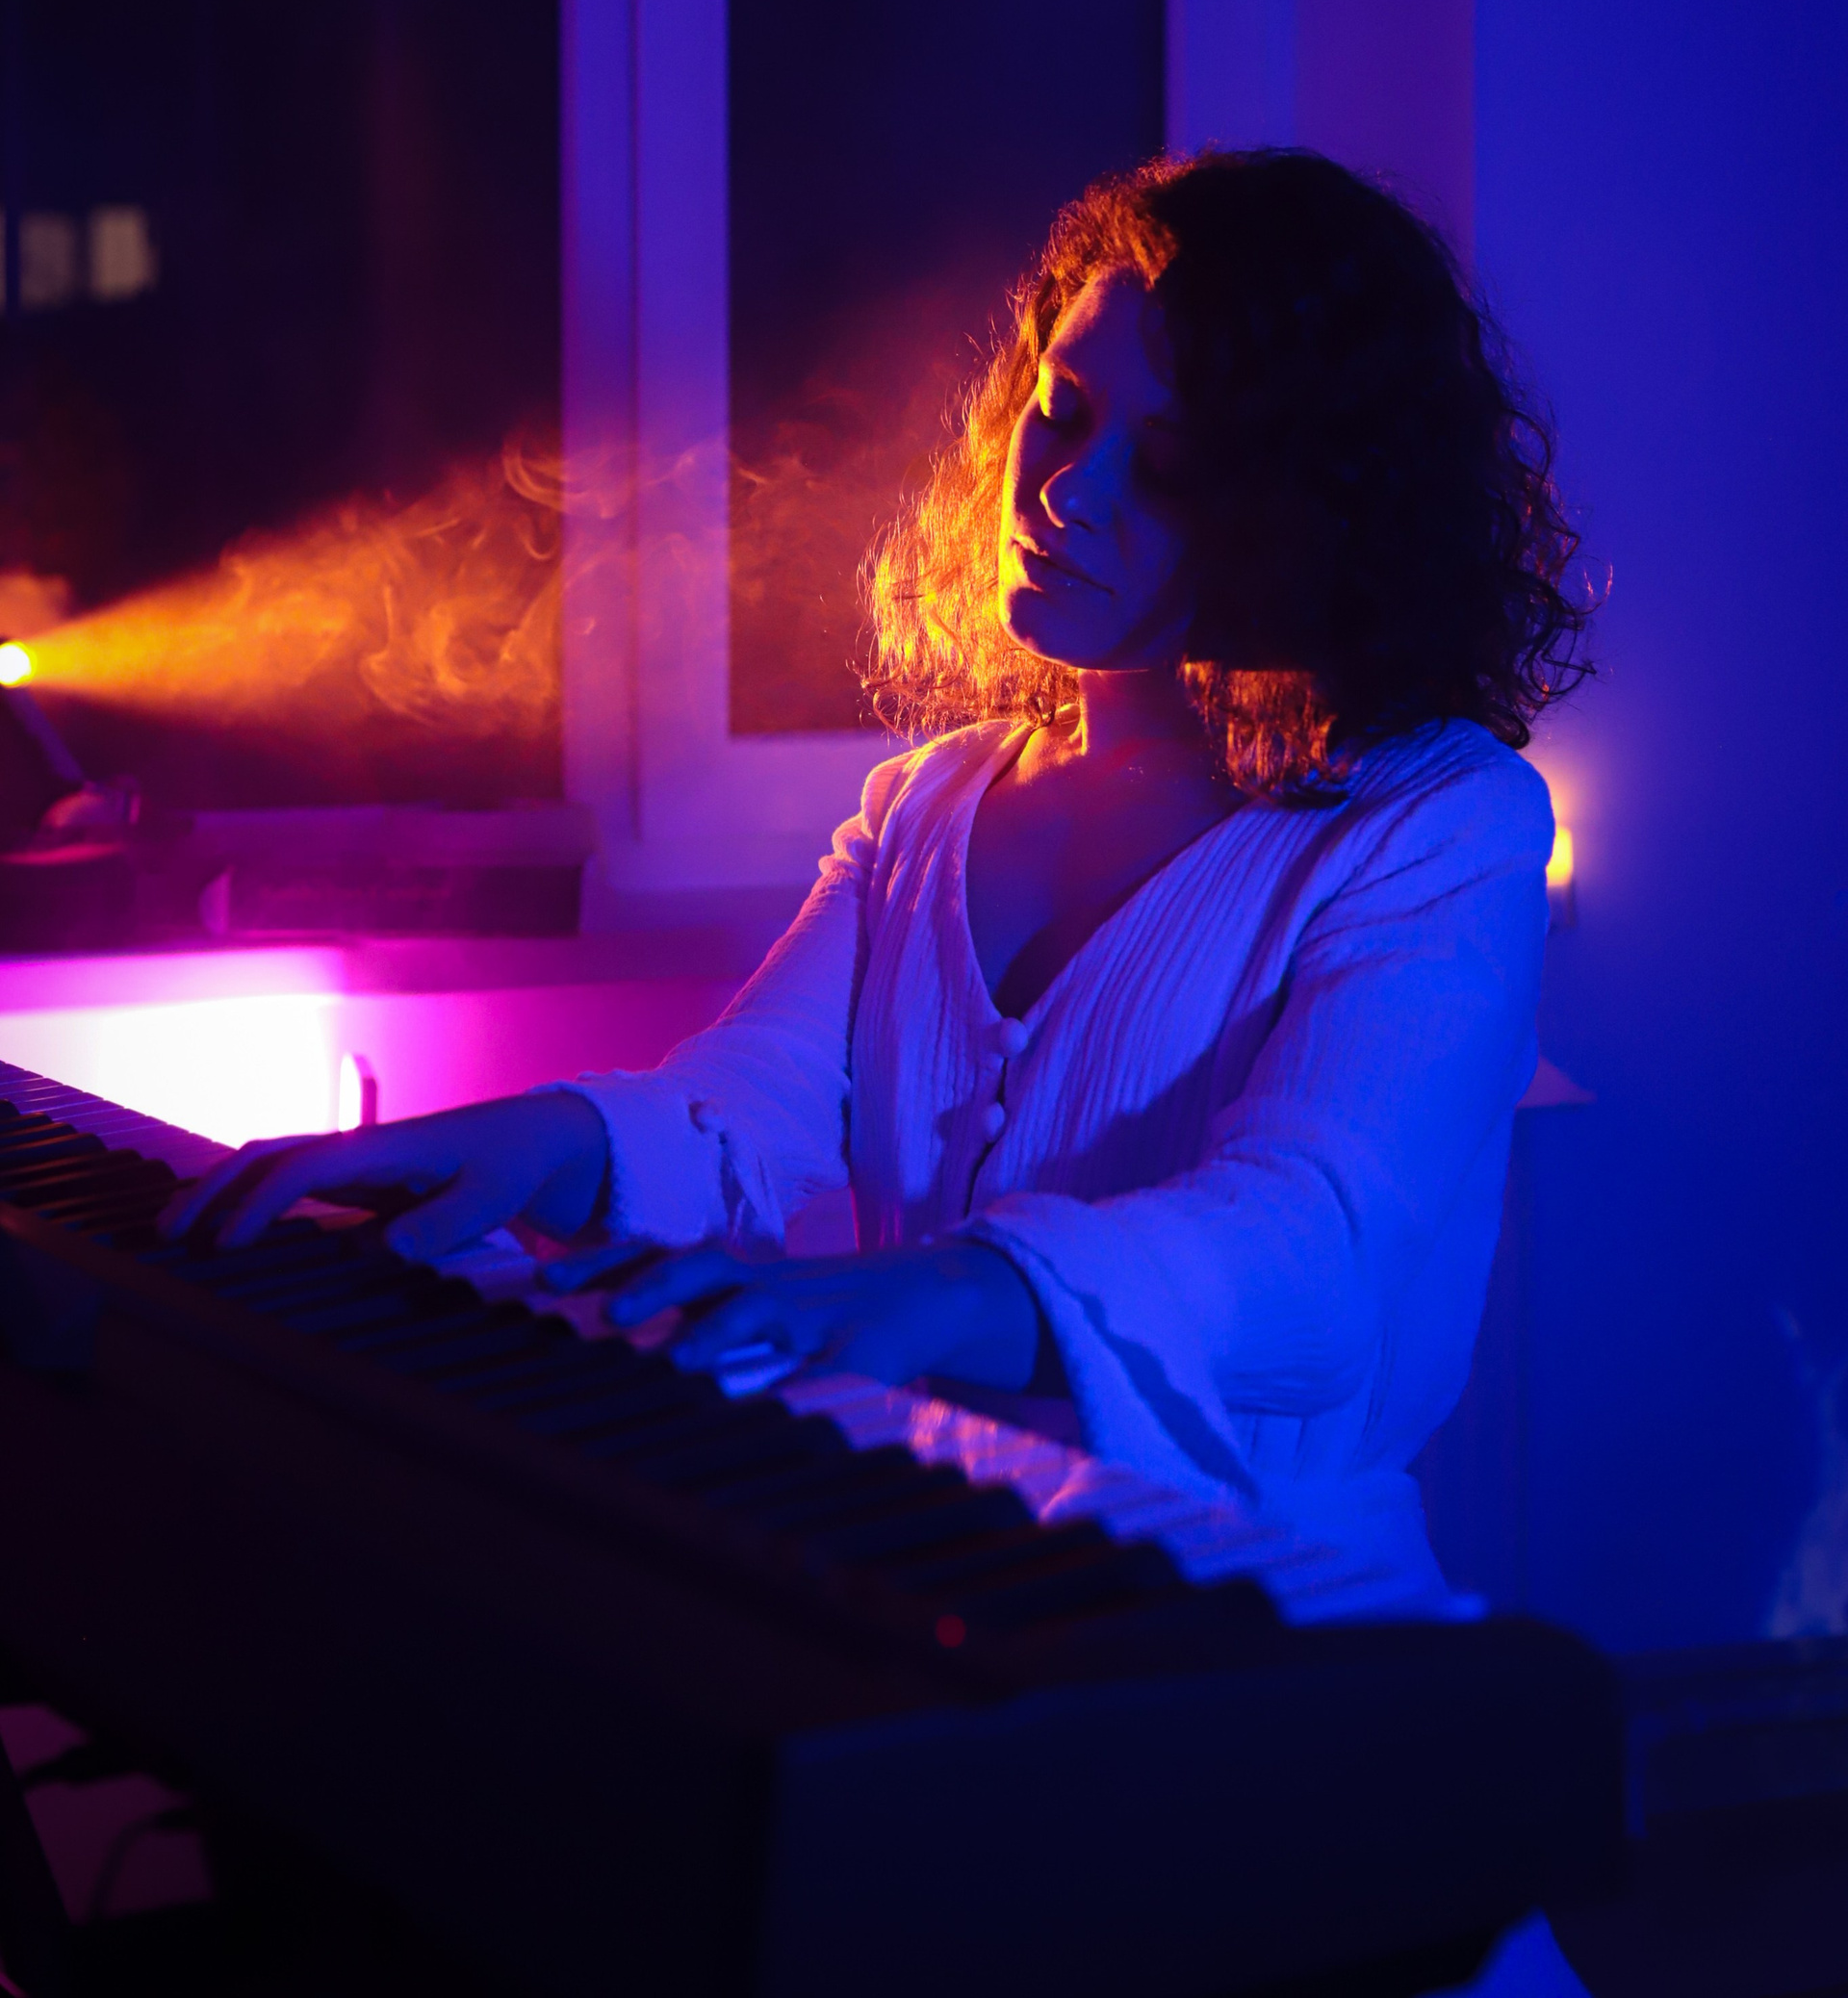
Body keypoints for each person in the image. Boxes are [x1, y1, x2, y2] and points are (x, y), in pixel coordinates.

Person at [164, 150, 1590, 1606]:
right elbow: (739, 1115)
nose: (1067, 488)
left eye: (1167, 468)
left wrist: (934, 1290)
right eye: (1062, 408)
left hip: (1269, 1620)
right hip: (937, 1571)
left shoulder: (1441, 821)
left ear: (1305, 517)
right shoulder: (927, 804)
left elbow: (1317, 1251)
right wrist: (516, 1141)